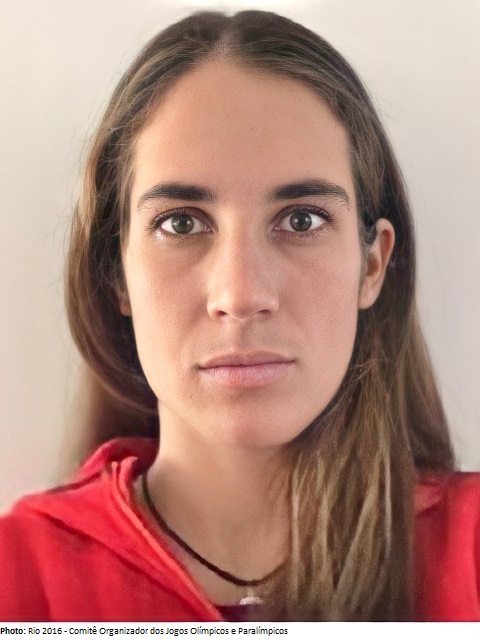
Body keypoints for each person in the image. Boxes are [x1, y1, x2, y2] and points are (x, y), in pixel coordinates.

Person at [0, 9, 477, 623]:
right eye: (181, 223)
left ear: (372, 264)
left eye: (301, 219)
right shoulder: (18, 575)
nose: (242, 293)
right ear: (115, 271)